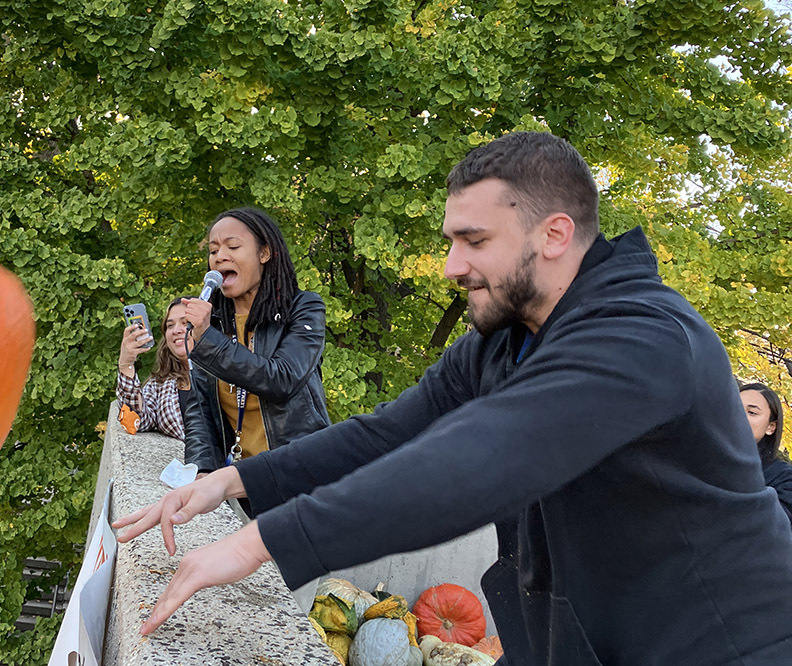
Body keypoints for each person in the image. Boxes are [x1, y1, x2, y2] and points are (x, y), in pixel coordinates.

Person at [116, 133, 792, 665]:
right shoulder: (504, 340)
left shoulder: (643, 335)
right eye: (450, 241)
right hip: (577, 638)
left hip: (719, 644)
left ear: (554, 235)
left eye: (475, 241)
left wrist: (265, 539)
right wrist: (231, 480)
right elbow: (384, 434)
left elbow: (480, 461)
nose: (451, 266)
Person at [179, 206, 331, 474]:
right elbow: (200, 410)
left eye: (233, 247)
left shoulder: (304, 308)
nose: (219, 257)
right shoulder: (213, 324)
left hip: (299, 473)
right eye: (213, 251)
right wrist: (202, 469)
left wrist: (209, 341)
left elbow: (282, 379)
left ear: (264, 253)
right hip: (239, 480)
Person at [115, 297, 191, 440]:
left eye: (185, 323)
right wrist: (126, 364)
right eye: (170, 325)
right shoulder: (159, 386)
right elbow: (135, 423)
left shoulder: (224, 376)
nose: (176, 330)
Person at [740, 382, 792, 525]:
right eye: (734, 408)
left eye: (752, 412)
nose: (738, 416)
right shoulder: (696, 457)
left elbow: (778, 530)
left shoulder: (782, 477)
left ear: (770, 427)